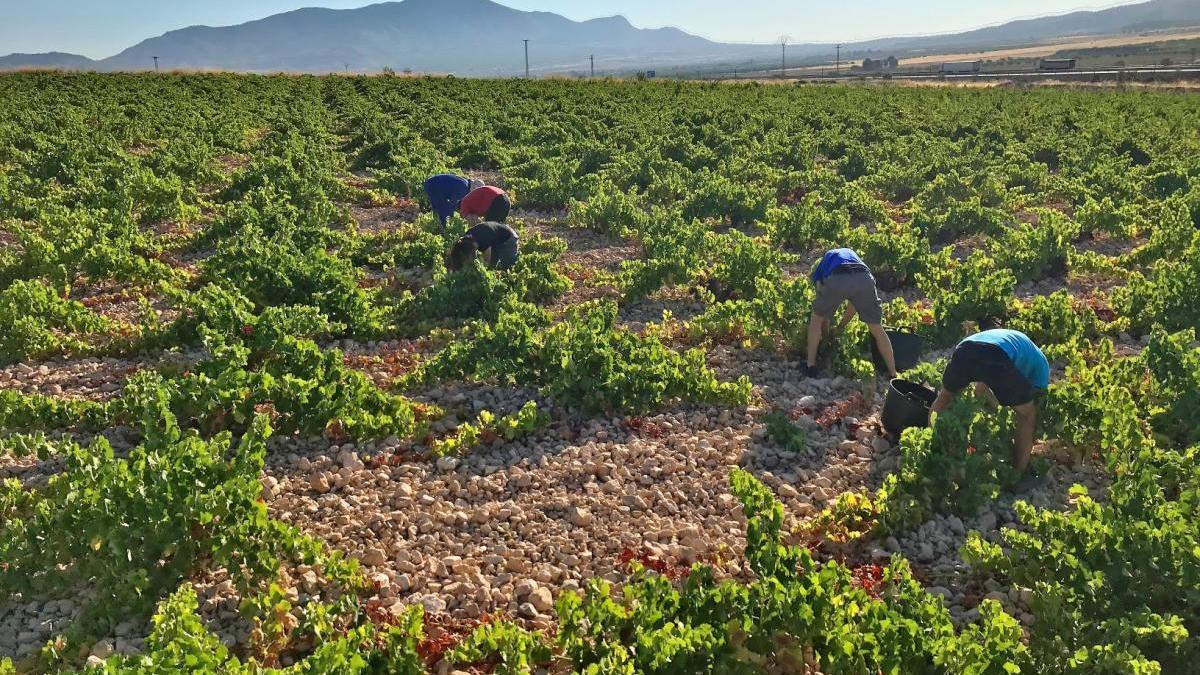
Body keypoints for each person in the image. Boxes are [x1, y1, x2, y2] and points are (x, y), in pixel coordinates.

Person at [930, 329, 1050, 476]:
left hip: (964, 349)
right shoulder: (1042, 366)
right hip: (995, 353)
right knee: (1028, 415)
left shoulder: (1020, 345)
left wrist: (998, 413)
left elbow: (981, 388)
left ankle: (931, 446)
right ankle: (1019, 472)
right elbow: (1032, 403)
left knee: (945, 397)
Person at [805, 248, 898, 379]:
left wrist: (826, 337)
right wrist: (840, 327)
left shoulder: (824, 261)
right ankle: (893, 373)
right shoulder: (852, 255)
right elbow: (853, 306)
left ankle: (810, 366)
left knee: (816, 319)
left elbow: (822, 312)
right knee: (876, 328)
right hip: (865, 278)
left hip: (839, 275)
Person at [447, 221, 520, 272]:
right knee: (492, 266)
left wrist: (476, 272)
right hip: (495, 237)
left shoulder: (483, 242)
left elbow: (486, 265)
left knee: (509, 267)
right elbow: (458, 254)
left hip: (508, 238)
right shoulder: (465, 239)